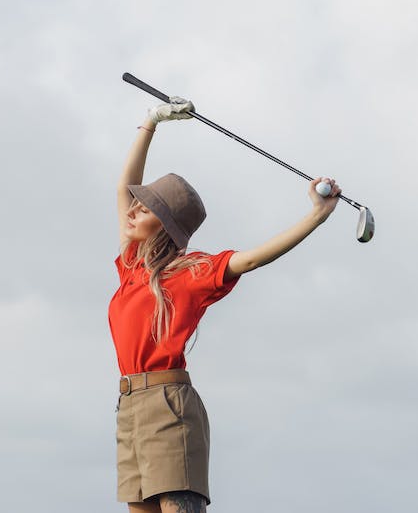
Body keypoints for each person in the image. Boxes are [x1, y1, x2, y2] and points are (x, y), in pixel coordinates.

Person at [110, 95, 342, 512]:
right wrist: (151, 123)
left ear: (164, 228)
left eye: (146, 208)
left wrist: (316, 216)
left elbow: (251, 258)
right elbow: (123, 188)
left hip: (168, 406)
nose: (133, 209)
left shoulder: (190, 272)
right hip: (128, 406)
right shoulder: (132, 266)